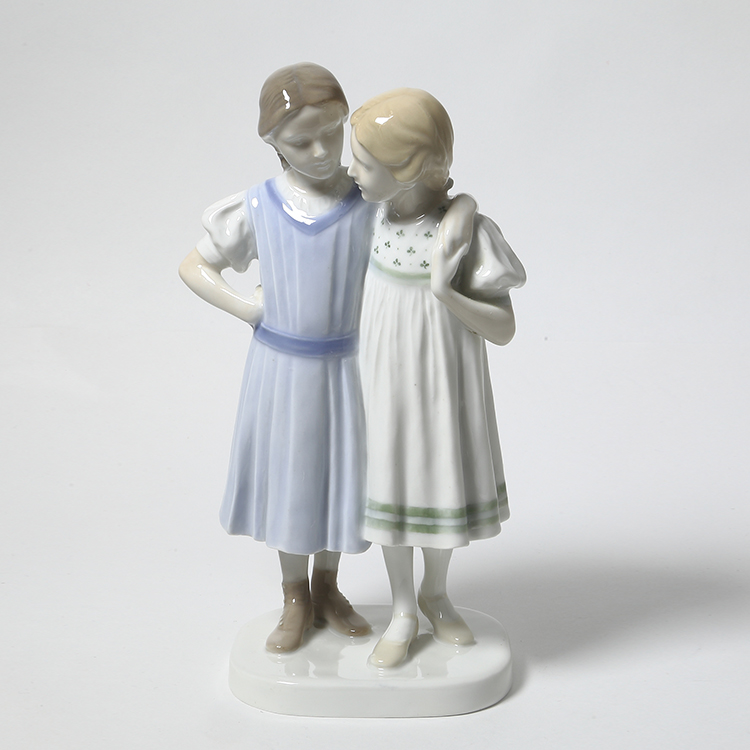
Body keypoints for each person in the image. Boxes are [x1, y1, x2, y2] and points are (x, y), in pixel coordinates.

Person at [179, 63, 374, 653]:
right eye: (301, 141)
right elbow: (194, 266)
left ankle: (328, 585)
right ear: (273, 141)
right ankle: (295, 594)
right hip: (283, 371)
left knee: (342, 477)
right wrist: (248, 308)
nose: (321, 151)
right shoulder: (257, 207)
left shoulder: (371, 201)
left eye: (332, 132)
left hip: (348, 367)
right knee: (295, 477)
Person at [347, 88, 526, 668]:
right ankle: (402, 608)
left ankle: (436, 592)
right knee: (392, 488)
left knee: (437, 482)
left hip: (443, 383)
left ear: (407, 169)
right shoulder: (367, 221)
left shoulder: (466, 235)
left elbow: (503, 328)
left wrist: (446, 291)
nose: (350, 171)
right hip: (383, 381)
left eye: (363, 162)